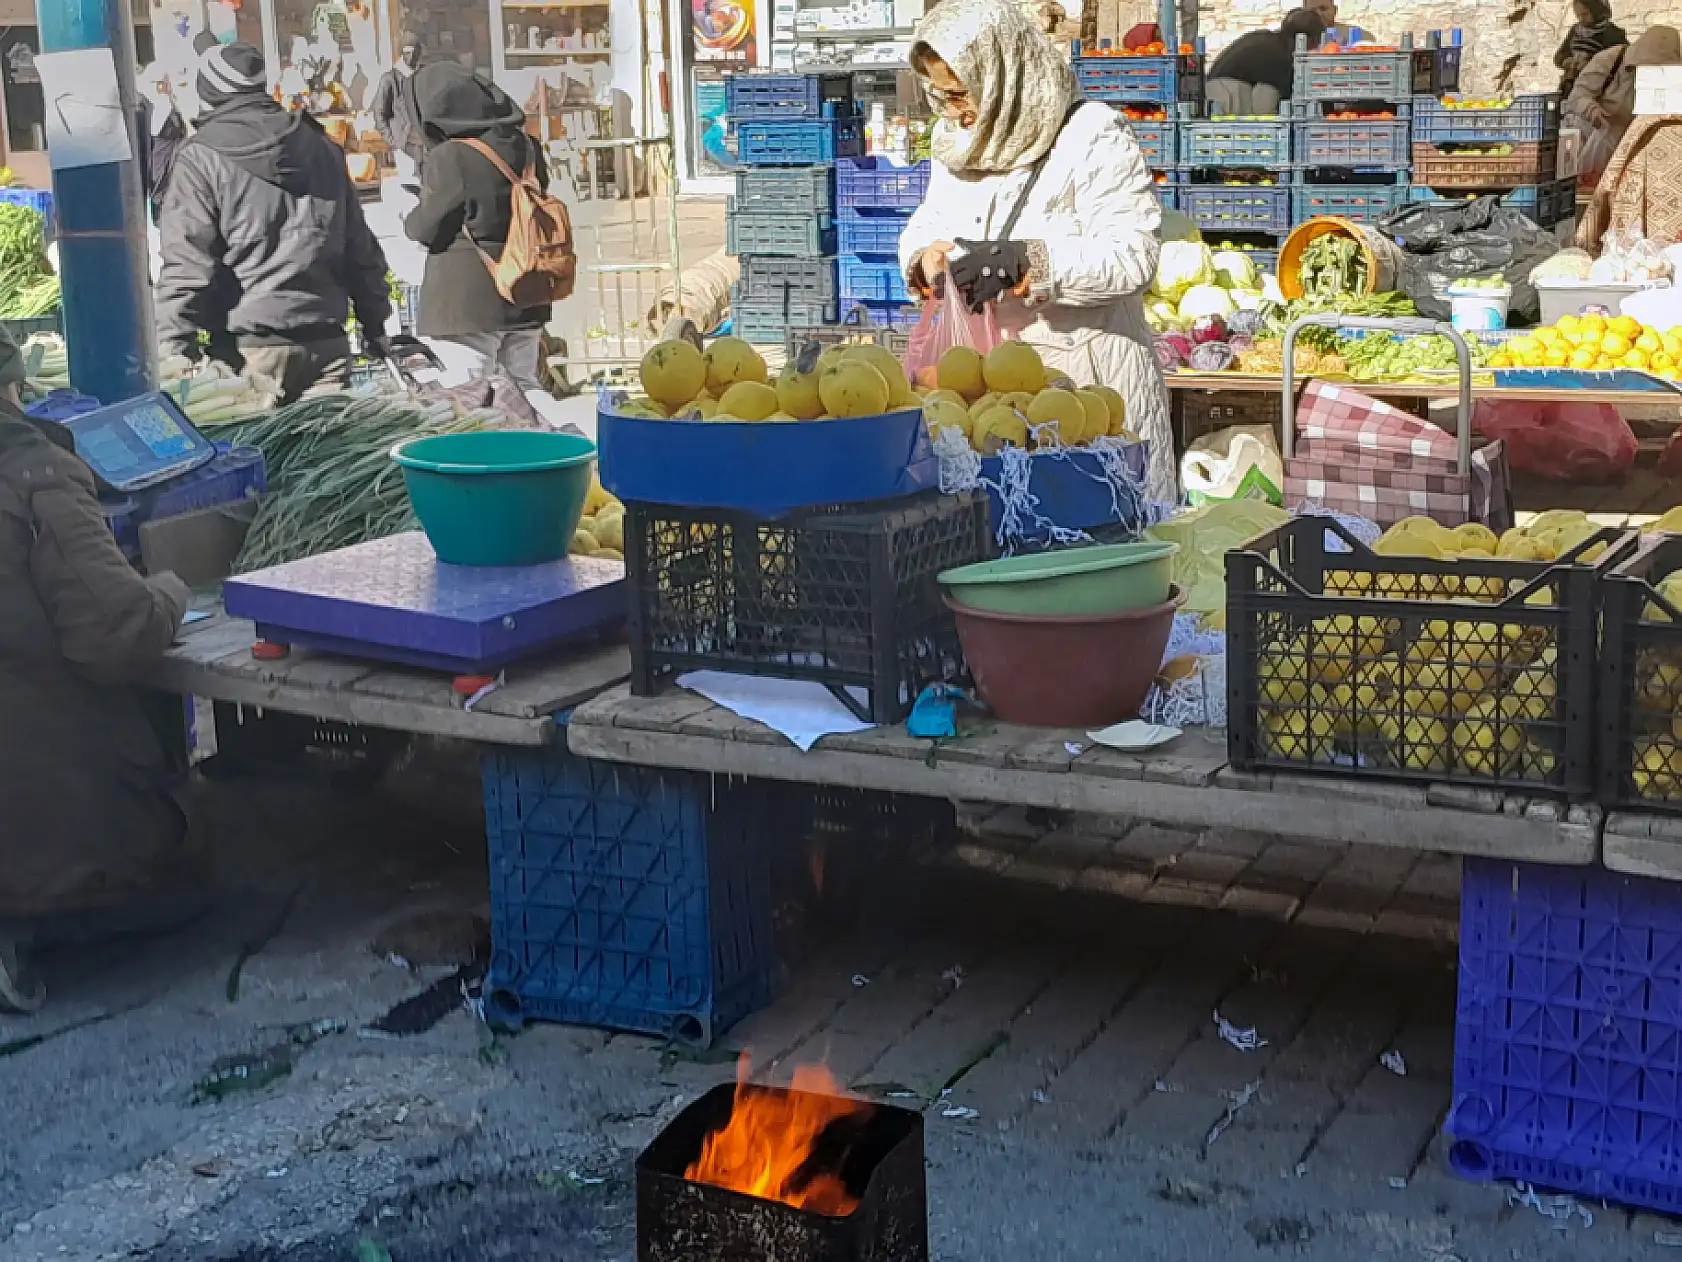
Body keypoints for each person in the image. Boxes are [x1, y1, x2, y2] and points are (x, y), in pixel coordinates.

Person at [898, 0, 1176, 501]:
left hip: (1088, 390)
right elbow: (930, 220)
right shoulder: (958, 141)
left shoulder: (1091, 134)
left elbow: (1132, 255)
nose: (955, 111)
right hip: (991, 399)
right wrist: (924, 258)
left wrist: (1026, 263)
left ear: (1002, 78)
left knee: (1098, 537)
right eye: (941, 96)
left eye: (962, 94)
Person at [0, 331, 194, 1015]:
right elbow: (117, 637)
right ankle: (21, 922)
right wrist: (171, 589)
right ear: (12, 385)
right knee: (173, 826)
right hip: (27, 802)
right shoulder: (29, 469)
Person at [156, 41, 393, 403]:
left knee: (263, 458)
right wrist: (375, 324)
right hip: (326, 343)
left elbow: (188, 262)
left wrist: (173, 345)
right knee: (330, 458)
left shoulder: (201, 158)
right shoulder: (320, 145)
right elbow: (359, 246)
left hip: (248, 351)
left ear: (210, 92)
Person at [404, 64, 553, 394]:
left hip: (467, 304)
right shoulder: (528, 146)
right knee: (526, 389)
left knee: (474, 394)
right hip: (526, 288)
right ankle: (551, 444)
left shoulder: (451, 155)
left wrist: (408, 219)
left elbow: (429, 227)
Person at [1566, 25, 1681, 185]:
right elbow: (1577, 95)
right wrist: (1591, 110)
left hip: (1646, 145)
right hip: (1607, 137)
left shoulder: (1673, 76)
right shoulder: (1611, 59)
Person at [1204, 8, 1328, 117]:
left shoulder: (1271, 41)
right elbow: (1267, 103)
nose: (1315, 49)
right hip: (1228, 92)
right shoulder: (1281, 56)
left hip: (1218, 87)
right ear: (1306, 39)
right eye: (1316, 43)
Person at [373, 31, 426, 180]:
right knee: (409, 185)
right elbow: (379, 113)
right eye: (407, 52)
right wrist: (392, 141)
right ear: (401, 53)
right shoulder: (389, 79)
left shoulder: (423, 75)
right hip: (404, 146)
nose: (411, 57)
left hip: (425, 144)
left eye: (414, 52)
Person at [1556, 0, 1627, 98]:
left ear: (1596, 11)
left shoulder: (1612, 33)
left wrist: (1590, 63)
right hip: (1571, 87)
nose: (1581, 19)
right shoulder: (1575, 31)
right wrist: (1566, 61)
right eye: (1578, 16)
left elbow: (1621, 61)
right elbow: (1559, 55)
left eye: (1585, 14)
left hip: (1599, 90)